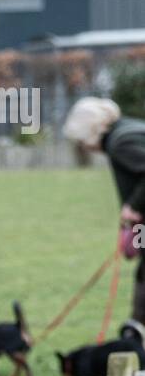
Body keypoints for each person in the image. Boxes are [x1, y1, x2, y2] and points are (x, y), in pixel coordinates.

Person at [63, 96, 145, 323]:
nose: (84, 147)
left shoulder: (122, 142)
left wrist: (133, 207)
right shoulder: (128, 131)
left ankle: (136, 334)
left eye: (81, 140)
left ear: (90, 132)